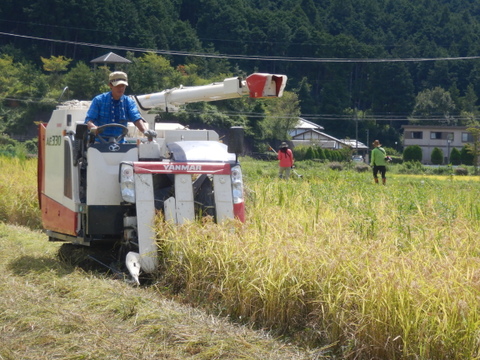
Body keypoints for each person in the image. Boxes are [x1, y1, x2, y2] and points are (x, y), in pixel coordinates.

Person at [85, 71, 156, 142]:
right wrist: (93, 127)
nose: (121, 88)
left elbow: (136, 118)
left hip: (120, 143)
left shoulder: (129, 102)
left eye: (123, 86)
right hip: (99, 143)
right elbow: (88, 120)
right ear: (110, 85)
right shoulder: (99, 100)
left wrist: (145, 131)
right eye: (118, 86)